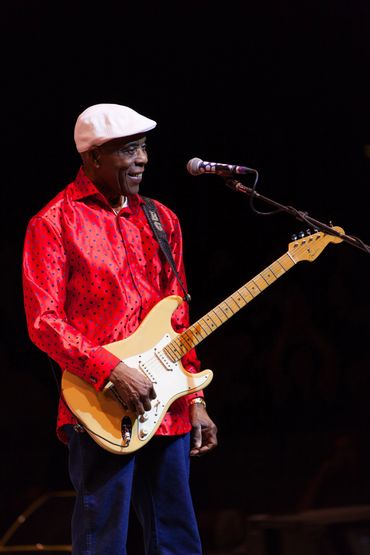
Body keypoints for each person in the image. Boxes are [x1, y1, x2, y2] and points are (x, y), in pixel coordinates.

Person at [22, 103, 218, 554]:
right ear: (93, 158)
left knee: (178, 539)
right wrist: (109, 370)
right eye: (128, 150)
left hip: (166, 404)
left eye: (144, 147)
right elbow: (44, 322)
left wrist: (195, 397)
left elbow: (177, 321)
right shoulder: (54, 223)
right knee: (102, 541)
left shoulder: (162, 219)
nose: (142, 160)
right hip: (100, 406)